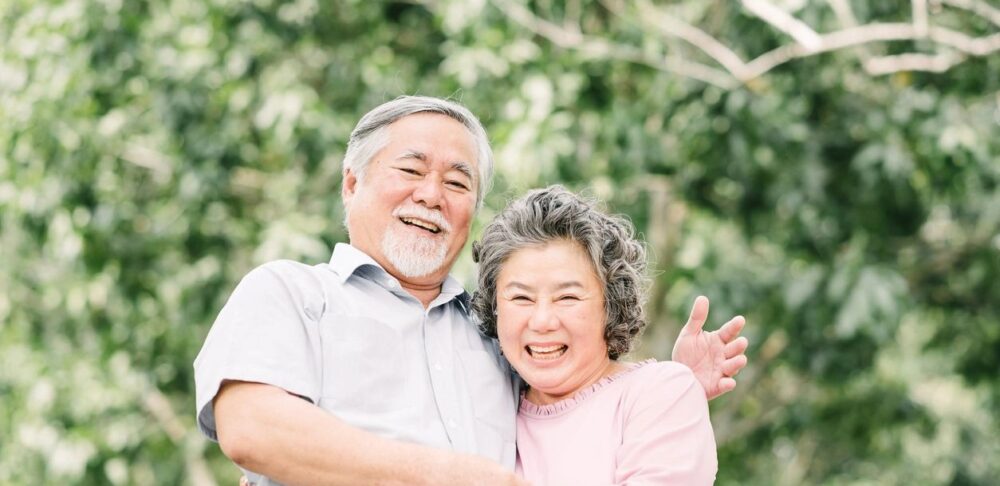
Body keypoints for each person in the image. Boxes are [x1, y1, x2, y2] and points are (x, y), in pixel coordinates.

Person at [193, 96, 748, 485]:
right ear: (351, 182)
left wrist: (666, 387)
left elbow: (573, 396)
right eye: (410, 169)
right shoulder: (293, 293)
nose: (432, 195)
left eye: (457, 182)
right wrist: (439, 475)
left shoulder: (494, 332)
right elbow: (252, 428)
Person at [472, 186, 722, 484]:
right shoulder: (489, 407)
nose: (542, 321)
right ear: (495, 306)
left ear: (610, 304)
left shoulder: (658, 392)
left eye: (567, 298)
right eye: (521, 298)